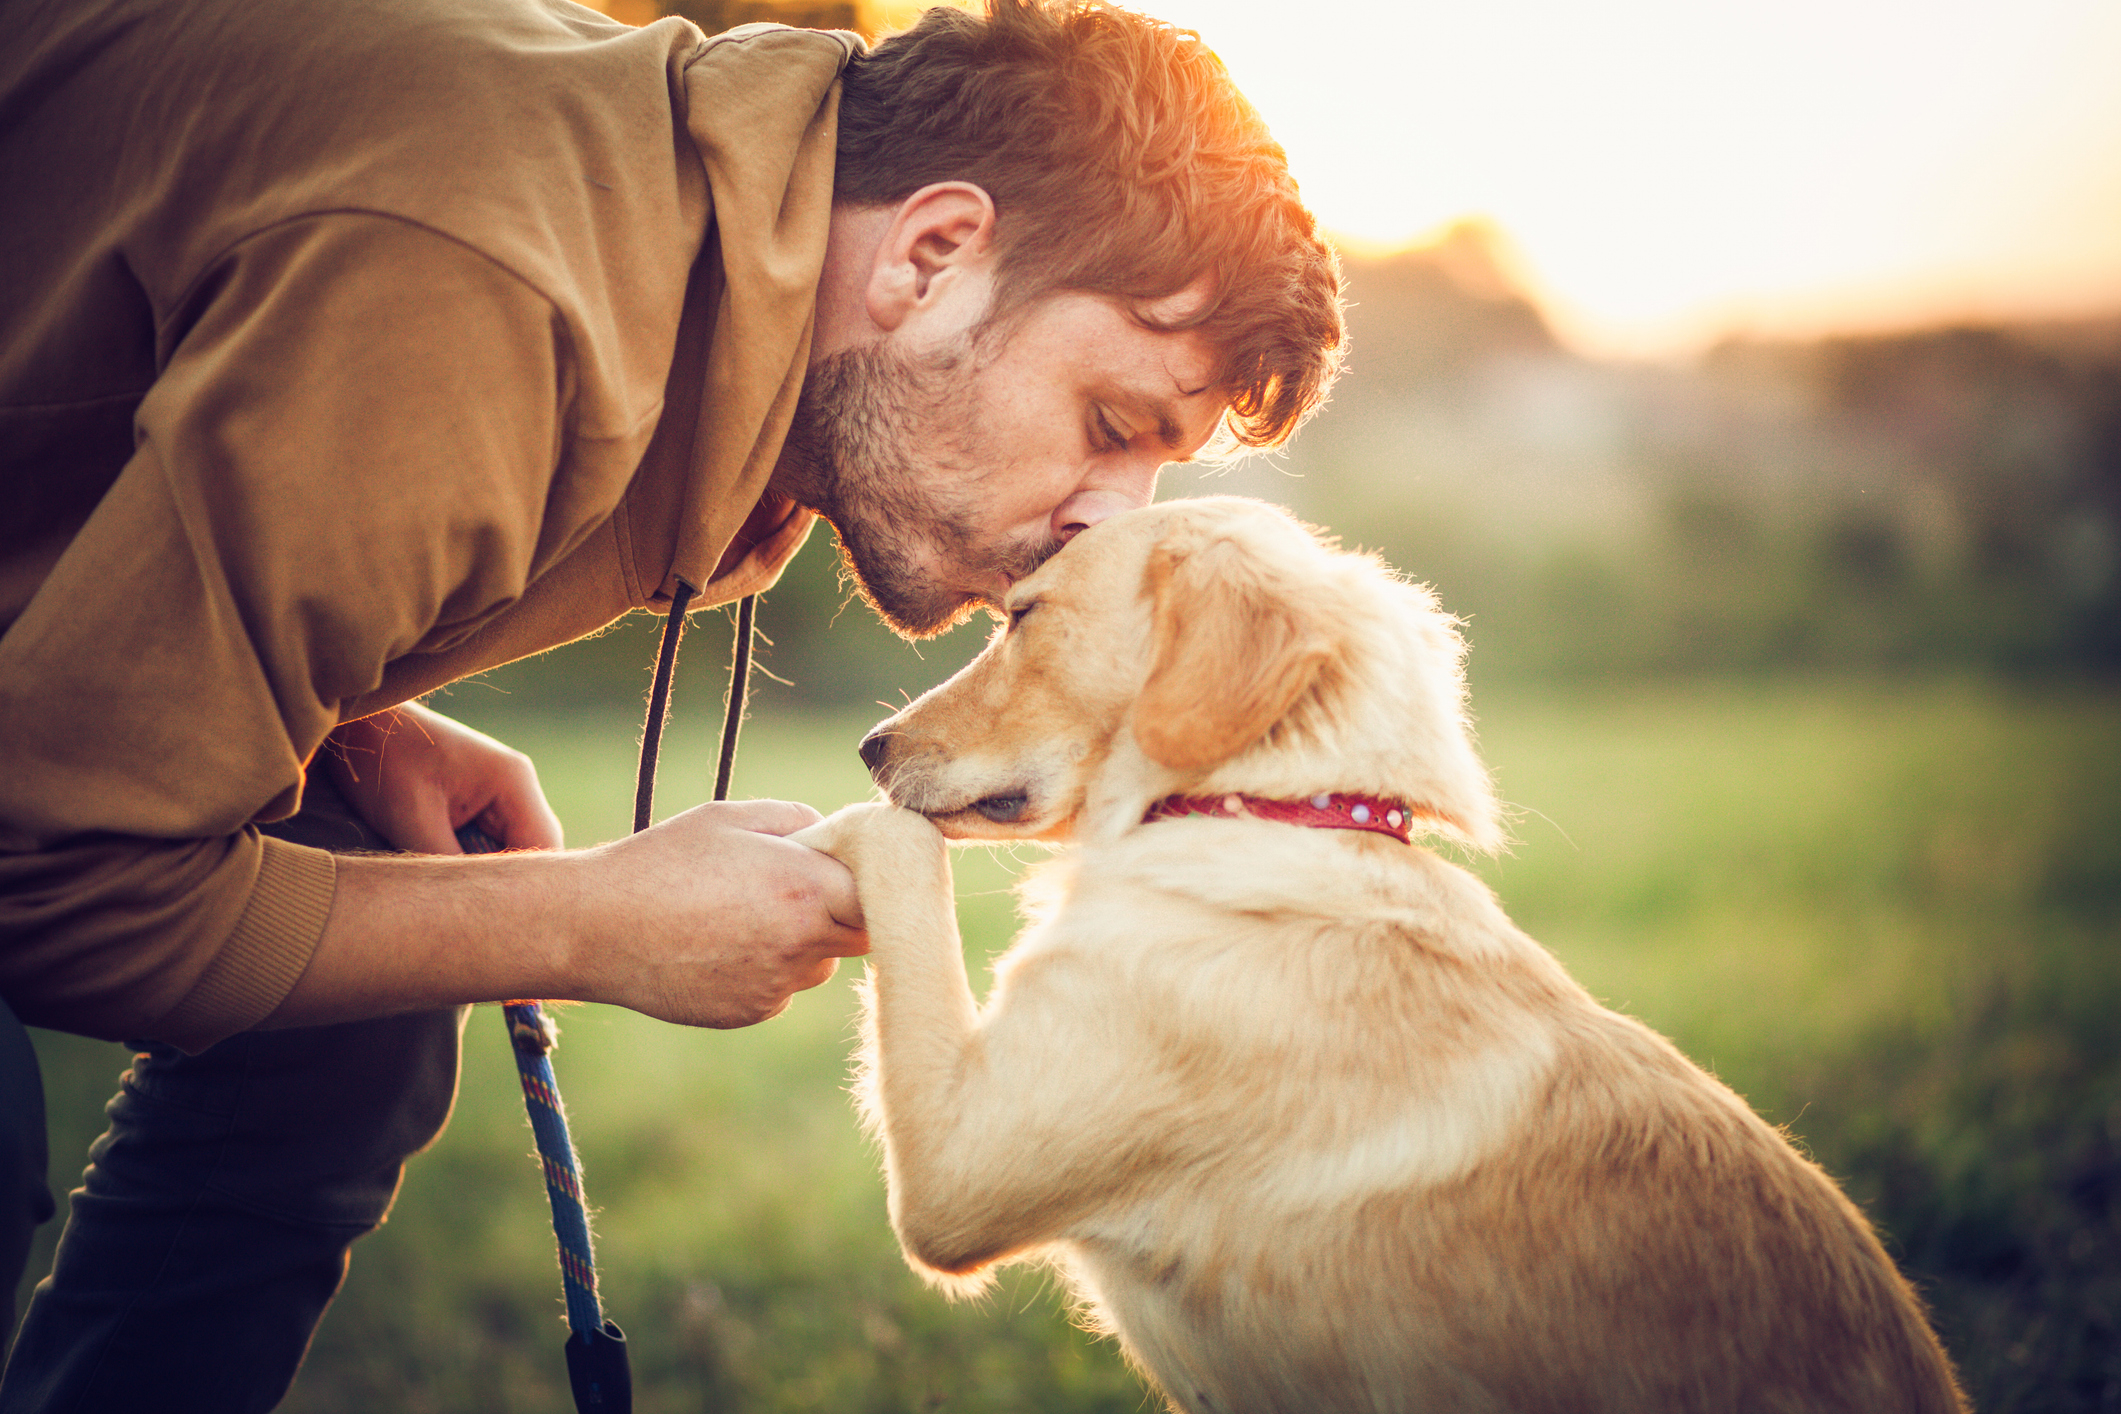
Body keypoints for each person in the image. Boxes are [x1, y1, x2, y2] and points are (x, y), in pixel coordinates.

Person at [0, 0, 1343, 1404]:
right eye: (1111, 426)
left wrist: (352, 718)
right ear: (933, 252)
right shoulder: (499, 282)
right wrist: (585, 920)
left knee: (357, 1012)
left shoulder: (703, 247)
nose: (1107, 523)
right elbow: (51, 883)